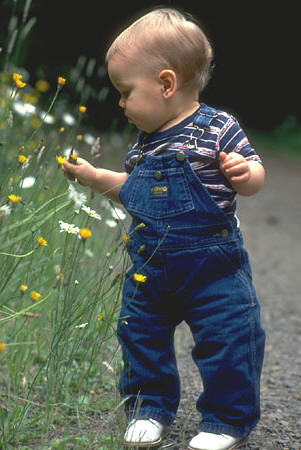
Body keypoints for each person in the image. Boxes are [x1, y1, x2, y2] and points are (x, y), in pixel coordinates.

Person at [62, 7, 266, 450]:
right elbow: (134, 192)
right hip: (150, 265)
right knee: (139, 333)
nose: (119, 102)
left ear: (166, 84)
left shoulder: (217, 129)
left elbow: (255, 174)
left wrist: (243, 173)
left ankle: (227, 420)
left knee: (230, 335)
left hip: (213, 265)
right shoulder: (144, 145)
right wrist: (99, 178)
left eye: (125, 91)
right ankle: (148, 409)